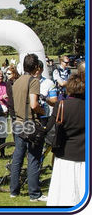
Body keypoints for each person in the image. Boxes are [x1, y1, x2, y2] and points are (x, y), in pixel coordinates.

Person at [10, 53, 47, 202]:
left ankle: (14, 191)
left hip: (18, 123)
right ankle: (34, 194)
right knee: (33, 159)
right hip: (30, 124)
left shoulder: (17, 81)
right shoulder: (33, 81)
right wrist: (42, 111)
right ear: (36, 66)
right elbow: (33, 104)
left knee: (17, 158)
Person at [46, 74, 85, 206]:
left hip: (64, 155)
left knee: (64, 193)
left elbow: (50, 128)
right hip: (83, 155)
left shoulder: (62, 105)